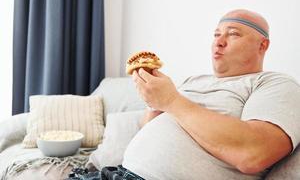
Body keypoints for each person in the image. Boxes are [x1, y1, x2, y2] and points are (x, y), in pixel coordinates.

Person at [67, 9, 300, 180]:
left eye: (233, 34)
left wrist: (171, 100)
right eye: (216, 34)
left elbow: (254, 153)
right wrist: (154, 102)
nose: (218, 42)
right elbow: (149, 130)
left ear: (263, 45)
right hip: (117, 173)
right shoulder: (194, 81)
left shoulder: (275, 83)